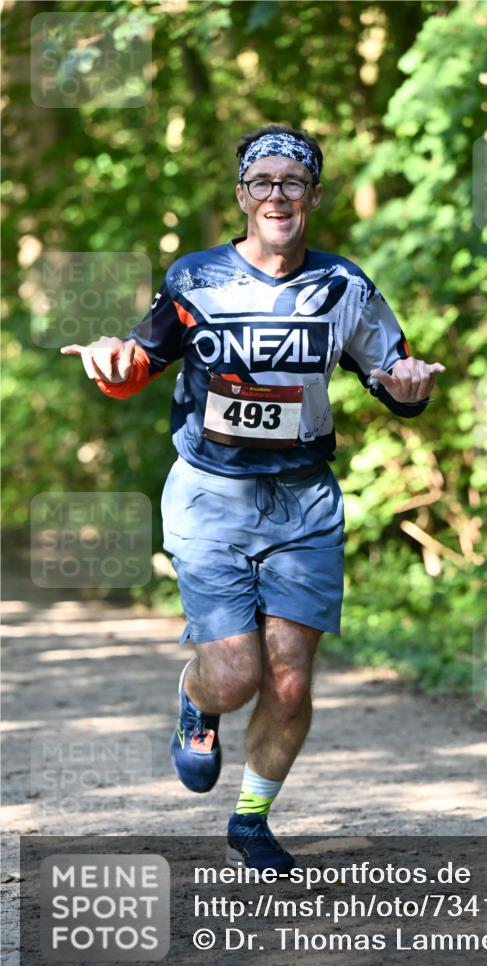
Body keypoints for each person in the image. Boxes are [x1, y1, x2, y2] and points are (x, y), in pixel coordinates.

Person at [62, 124, 445, 874]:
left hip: (303, 500)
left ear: (313, 196)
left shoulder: (344, 287)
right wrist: (111, 363)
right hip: (210, 495)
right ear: (242, 195)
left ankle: (251, 820)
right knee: (236, 676)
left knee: (292, 675)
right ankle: (198, 699)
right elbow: (139, 361)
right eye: (262, 181)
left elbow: (391, 370)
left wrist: (407, 388)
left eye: (292, 182)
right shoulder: (195, 279)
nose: (277, 194)